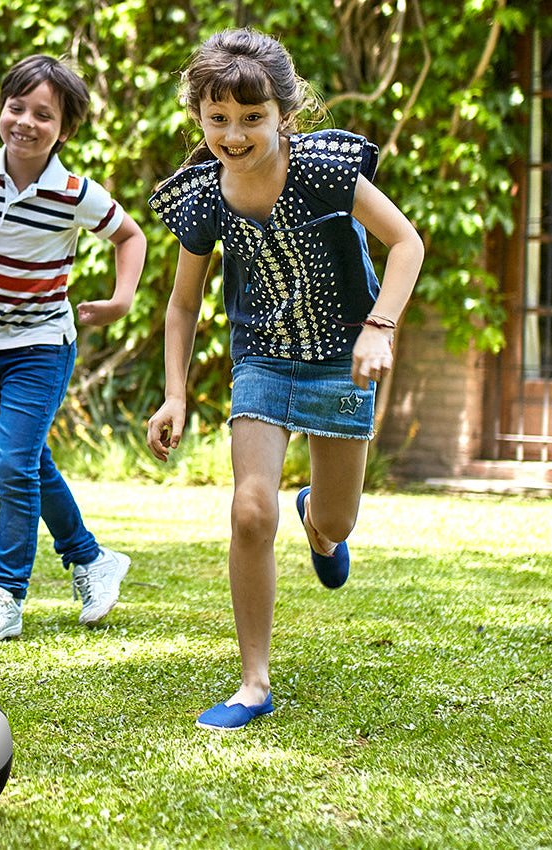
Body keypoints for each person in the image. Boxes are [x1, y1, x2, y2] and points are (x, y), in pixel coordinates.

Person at [144, 29, 423, 730]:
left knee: (334, 519)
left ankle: (319, 529)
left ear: (284, 111)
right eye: (217, 120)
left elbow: (405, 244)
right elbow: (182, 304)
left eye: (251, 118)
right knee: (248, 510)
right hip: (261, 359)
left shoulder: (326, 170)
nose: (233, 135)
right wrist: (175, 392)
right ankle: (253, 683)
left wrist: (379, 327)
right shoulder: (203, 199)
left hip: (342, 353)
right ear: (198, 117)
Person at [0, 54, 146, 641]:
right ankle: (92, 559)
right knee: (31, 462)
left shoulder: (73, 191)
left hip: (43, 344)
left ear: (63, 130)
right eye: (17, 107)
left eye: (43, 115)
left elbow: (130, 235)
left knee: (14, 464)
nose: (26, 122)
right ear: (1, 111)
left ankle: (5, 595)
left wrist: (119, 300)